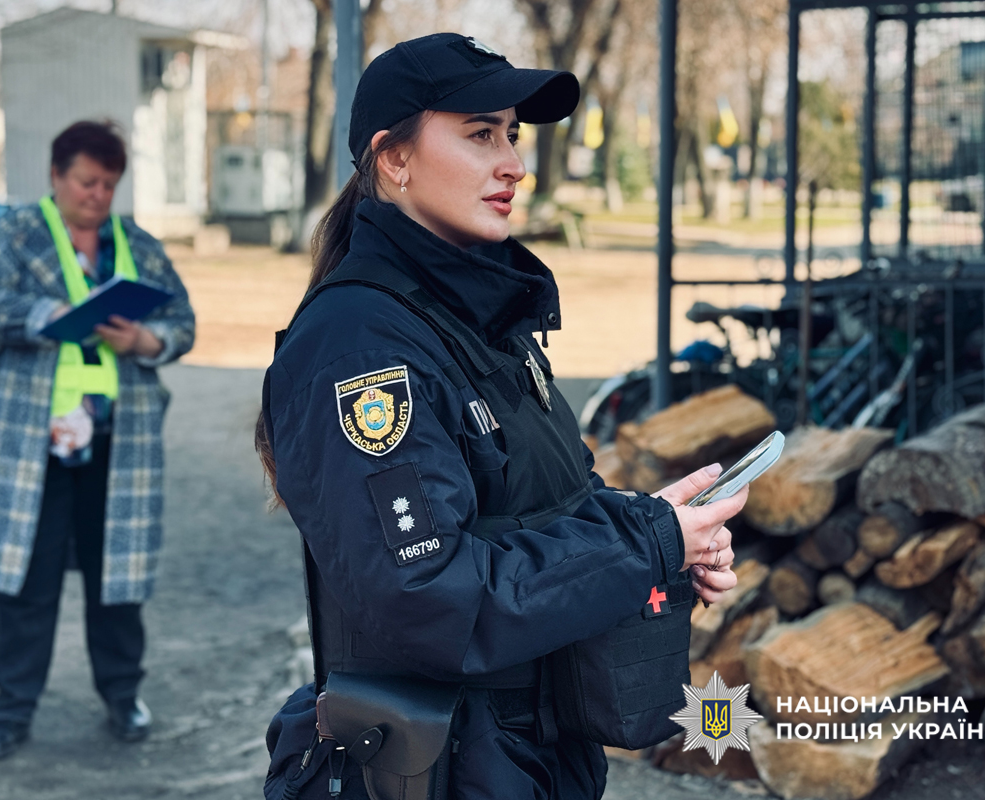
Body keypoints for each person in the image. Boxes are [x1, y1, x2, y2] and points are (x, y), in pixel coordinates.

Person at [257, 33, 744, 799]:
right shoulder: (359, 347)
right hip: (434, 769)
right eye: (480, 134)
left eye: (512, 135)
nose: (514, 162)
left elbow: (550, 506)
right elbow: (426, 597)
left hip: (529, 758)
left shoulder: (484, 321)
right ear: (395, 158)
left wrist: (662, 534)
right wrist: (637, 546)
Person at [0, 120, 196, 760]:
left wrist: (147, 341)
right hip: (32, 445)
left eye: (109, 184)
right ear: (57, 176)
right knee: (26, 582)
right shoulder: (17, 235)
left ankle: (122, 697)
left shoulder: (135, 244)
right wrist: (49, 317)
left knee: (118, 579)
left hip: (118, 446)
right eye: (87, 181)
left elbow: (181, 321)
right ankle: (11, 710)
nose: (98, 196)